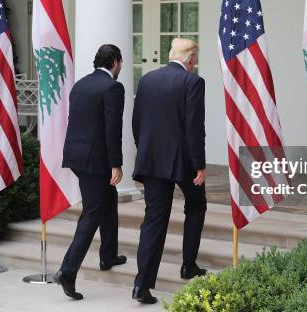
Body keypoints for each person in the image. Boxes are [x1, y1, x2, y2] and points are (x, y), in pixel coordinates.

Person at [131, 38, 207, 304]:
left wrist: (145, 152)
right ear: (192, 60)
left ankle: (141, 285)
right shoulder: (193, 82)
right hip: (185, 162)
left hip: (152, 161)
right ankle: (188, 264)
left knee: (154, 220)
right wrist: (200, 165)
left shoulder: (147, 80)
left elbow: (136, 121)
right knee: (196, 206)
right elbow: (194, 127)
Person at [54, 44, 128, 300]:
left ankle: (108, 255)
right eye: (121, 63)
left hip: (77, 156)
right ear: (116, 62)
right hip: (96, 160)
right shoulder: (113, 87)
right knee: (94, 211)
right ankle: (67, 270)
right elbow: (112, 129)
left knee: (108, 199)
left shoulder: (81, 84)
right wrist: (116, 163)